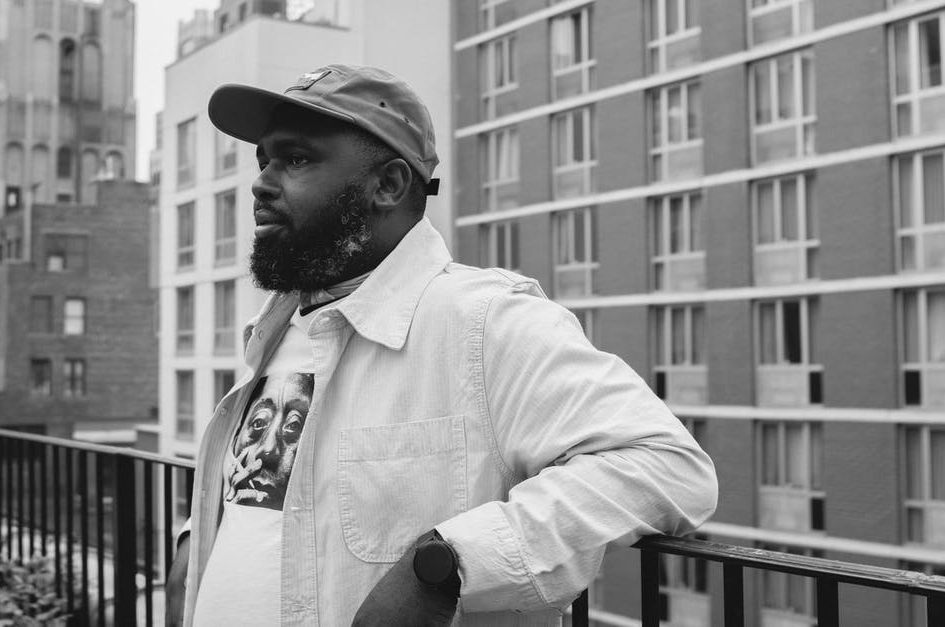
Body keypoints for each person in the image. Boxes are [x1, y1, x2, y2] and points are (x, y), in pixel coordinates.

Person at [166, 64, 718, 627]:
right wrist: (201, 538)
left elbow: (666, 466)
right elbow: (282, 496)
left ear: (388, 185)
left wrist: (447, 565)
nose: (262, 182)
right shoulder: (278, 329)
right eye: (265, 160)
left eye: (297, 159)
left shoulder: (483, 320)